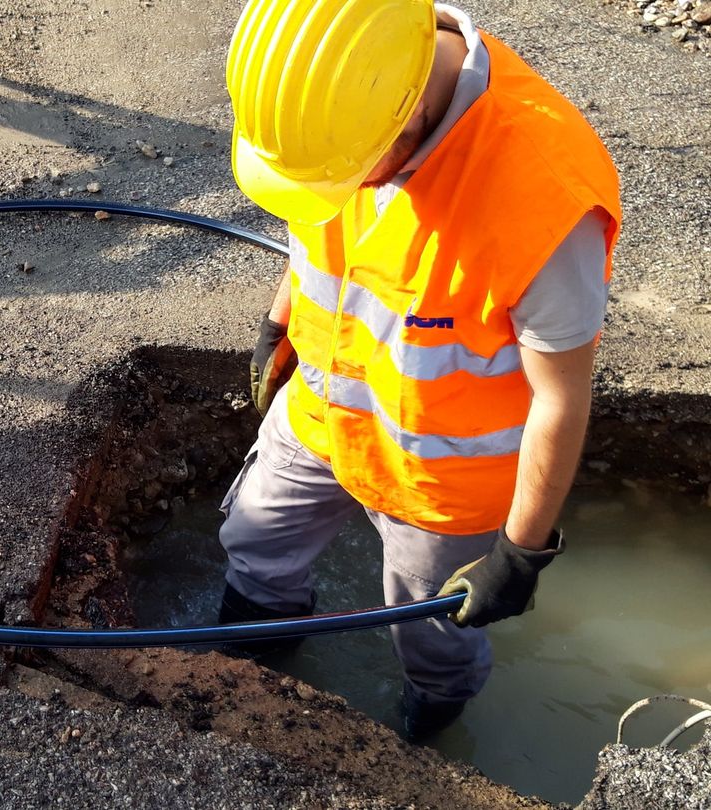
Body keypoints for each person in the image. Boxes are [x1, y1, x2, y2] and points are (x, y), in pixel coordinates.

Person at [218, 0, 621, 741]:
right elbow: (311, 224)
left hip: (439, 476)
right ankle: (248, 666)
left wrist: (522, 551)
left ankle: (428, 729)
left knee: (433, 630)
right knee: (255, 542)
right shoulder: (327, 103)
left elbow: (560, 399)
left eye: (349, 175)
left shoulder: (545, 196)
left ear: (406, 121)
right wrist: (279, 323)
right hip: (325, 410)